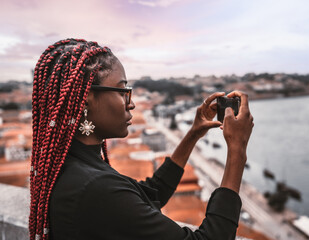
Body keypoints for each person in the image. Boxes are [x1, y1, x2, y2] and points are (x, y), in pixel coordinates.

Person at [29, 38, 254, 240]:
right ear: (84, 100)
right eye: (122, 91)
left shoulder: (70, 164)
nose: (131, 103)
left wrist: (194, 133)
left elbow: (149, 194)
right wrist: (237, 150)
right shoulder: (95, 188)